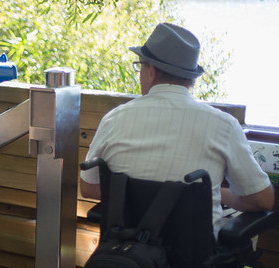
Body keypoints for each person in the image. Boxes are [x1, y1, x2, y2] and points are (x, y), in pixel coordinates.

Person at [80, 22, 275, 237]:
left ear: (151, 71)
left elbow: (88, 187)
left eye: (140, 66)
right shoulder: (223, 126)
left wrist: (133, 195)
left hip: (125, 255)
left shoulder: (114, 119)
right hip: (193, 265)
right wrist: (216, 194)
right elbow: (263, 200)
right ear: (190, 78)